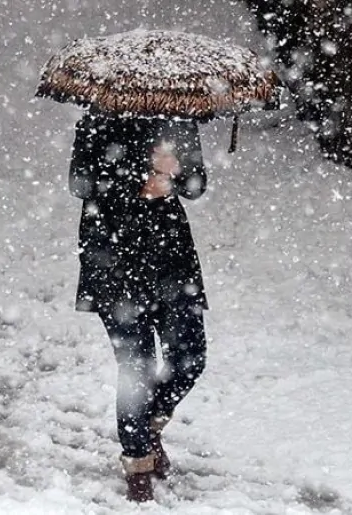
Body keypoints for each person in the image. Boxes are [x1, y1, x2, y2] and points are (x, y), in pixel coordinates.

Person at [68, 109, 208, 502]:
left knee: (190, 356)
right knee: (137, 368)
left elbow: (197, 186)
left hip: (171, 261)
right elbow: (80, 183)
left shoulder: (179, 119)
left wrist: (175, 174)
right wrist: (142, 177)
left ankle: (146, 427)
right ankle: (138, 467)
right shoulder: (97, 121)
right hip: (114, 259)